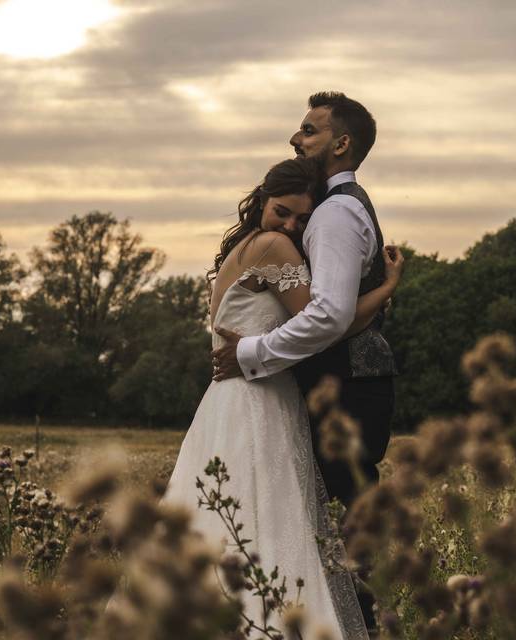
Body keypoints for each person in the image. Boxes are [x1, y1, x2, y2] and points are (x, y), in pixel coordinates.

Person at [162, 156, 403, 640]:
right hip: (260, 401)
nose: (291, 224)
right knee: (268, 519)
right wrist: (387, 288)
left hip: (224, 402)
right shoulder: (274, 247)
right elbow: (330, 325)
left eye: (301, 218)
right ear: (261, 202)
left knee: (228, 517)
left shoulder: (240, 249)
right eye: (282, 211)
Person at [211, 92, 396, 632]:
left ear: (341, 144)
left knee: (341, 533)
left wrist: (249, 353)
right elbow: (331, 314)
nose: (297, 138)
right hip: (325, 385)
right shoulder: (333, 211)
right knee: (320, 528)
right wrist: (386, 289)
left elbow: (329, 316)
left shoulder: (335, 214)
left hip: (345, 387)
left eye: (309, 131)